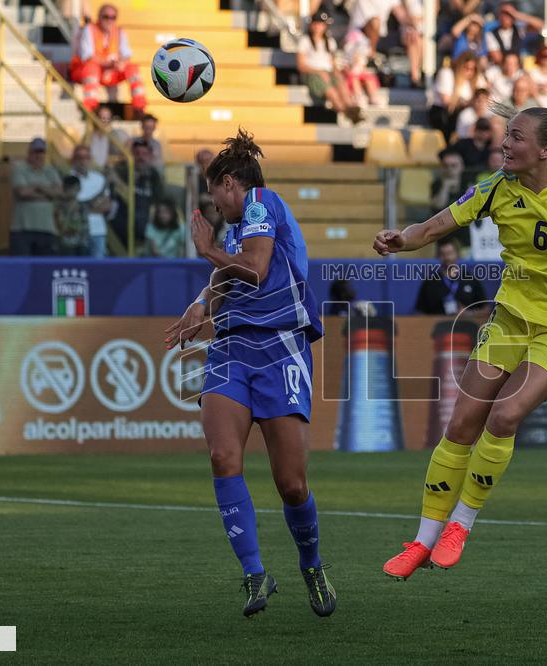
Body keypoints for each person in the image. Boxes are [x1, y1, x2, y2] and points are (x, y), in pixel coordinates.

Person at [377, 105, 547, 580]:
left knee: (505, 414)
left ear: (546, 151)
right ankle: (422, 541)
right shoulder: (495, 187)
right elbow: (436, 225)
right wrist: (403, 239)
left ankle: (461, 524)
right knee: (462, 421)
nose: (504, 144)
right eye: (506, 135)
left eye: (516, 137)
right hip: (508, 319)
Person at [163, 129, 334, 618]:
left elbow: (255, 270)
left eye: (215, 192)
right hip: (233, 348)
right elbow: (225, 278)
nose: (213, 205)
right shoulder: (239, 226)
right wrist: (198, 308)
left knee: (292, 485)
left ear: (232, 184)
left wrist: (207, 250)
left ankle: (312, 565)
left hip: (280, 346)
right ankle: (256, 574)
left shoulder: (262, 201)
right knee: (222, 456)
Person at [69, 3, 146, 113]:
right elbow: (88, 57)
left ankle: (139, 108)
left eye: (113, 17)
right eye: (106, 17)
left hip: (110, 73)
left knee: (133, 69)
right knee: (91, 69)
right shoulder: (89, 30)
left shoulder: (119, 32)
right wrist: (110, 65)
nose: (109, 20)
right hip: (85, 73)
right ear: (99, 17)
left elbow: (127, 55)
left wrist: (121, 64)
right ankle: (90, 109)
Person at [297, 11, 361, 123]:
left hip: (327, 72)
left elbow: (332, 64)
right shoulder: (305, 41)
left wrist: (337, 74)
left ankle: (351, 110)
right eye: (316, 23)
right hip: (312, 74)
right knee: (332, 92)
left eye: (321, 24)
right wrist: (319, 72)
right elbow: (301, 66)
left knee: (342, 87)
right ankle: (348, 114)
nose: (318, 27)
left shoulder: (330, 42)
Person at [109, 138, 164, 249]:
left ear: (150, 156)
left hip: (146, 218)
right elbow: (112, 192)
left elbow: (159, 200)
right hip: (124, 218)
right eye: (137, 153)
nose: (141, 157)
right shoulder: (122, 170)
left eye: (144, 154)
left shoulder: (154, 175)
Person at [10, 138, 62, 256]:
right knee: (21, 269)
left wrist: (36, 186)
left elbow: (58, 193)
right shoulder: (19, 168)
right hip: (22, 229)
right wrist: (48, 194)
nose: (38, 155)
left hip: (47, 229)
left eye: (41, 152)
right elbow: (22, 192)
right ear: (29, 152)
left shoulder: (50, 170)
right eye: (35, 152)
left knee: (45, 269)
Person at [414, 237, 488, 316]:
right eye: (443, 254)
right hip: (438, 326)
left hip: (466, 325)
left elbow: (486, 309)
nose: (447, 258)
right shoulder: (430, 281)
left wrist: (469, 314)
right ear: (438, 256)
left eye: (449, 253)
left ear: (457, 254)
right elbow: (419, 312)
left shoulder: (471, 279)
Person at [69, 144, 111, 258]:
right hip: (76, 233)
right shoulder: (67, 179)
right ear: (73, 159)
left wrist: (83, 208)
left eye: (86, 157)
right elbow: (71, 207)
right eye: (80, 157)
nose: (83, 161)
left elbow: (107, 205)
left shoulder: (99, 178)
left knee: (99, 271)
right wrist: (94, 206)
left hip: (98, 231)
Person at [84, 105, 129, 170]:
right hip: (92, 170)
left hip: (107, 170)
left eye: (107, 118)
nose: (104, 121)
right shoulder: (89, 136)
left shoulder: (115, 134)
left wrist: (121, 157)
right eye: (101, 118)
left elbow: (128, 141)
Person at [55, 175, 89, 256]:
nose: (74, 191)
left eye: (77, 188)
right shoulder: (59, 206)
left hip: (81, 244)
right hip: (65, 244)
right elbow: (59, 225)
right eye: (71, 188)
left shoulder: (83, 206)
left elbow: (85, 225)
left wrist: (84, 242)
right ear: (65, 189)